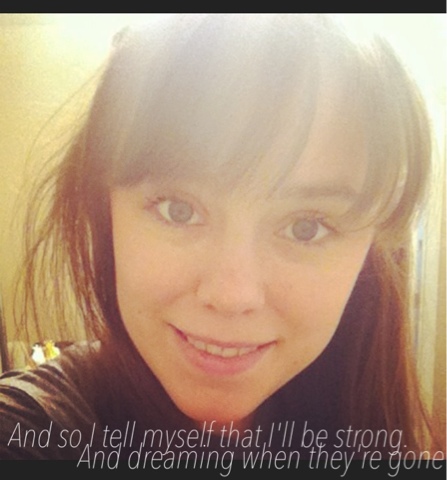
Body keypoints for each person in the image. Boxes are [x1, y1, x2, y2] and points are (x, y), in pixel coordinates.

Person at [0, 14, 444, 468]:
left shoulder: (366, 419)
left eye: (306, 227)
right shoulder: (32, 434)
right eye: (179, 209)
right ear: (105, 208)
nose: (232, 296)